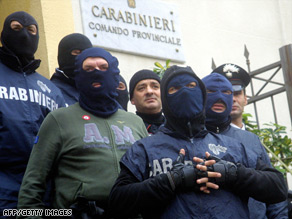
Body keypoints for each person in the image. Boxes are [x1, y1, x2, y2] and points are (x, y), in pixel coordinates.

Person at [108, 65, 287, 218]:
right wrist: (170, 180)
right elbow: (117, 202)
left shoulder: (233, 146)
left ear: (201, 96)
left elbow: (277, 187)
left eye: (192, 86)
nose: (185, 91)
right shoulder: (145, 148)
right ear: (166, 99)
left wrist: (234, 173)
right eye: (174, 89)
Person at [17, 47, 148, 218]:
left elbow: (150, 177)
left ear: (114, 75)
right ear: (78, 76)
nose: (96, 73)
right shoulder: (58, 120)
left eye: (103, 67)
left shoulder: (135, 122)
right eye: (88, 69)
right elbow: (33, 183)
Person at [0, 11, 66, 216]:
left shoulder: (50, 89)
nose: (24, 35)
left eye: (31, 31)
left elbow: (64, 137)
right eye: (16, 29)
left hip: (44, 196)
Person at [202, 72, 288, 218]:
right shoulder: (196, 137)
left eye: (228, 92)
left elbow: (275, 192)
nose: (228, 98)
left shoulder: (251, 139)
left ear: (245, 99)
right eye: (212, 92)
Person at [50, 33, 92, 106]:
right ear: (63, 56)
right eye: (77, 53)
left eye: (87, 54)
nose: (82, 57)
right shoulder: (51, 91)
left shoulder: (97, 90)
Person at [212, 63, 250, 129]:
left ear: (245, 99)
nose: (232, 99)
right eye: (226, 94)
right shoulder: (209, 137)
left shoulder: (253, 138)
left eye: (237, 94)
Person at [129, 69, 165, 134]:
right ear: (132, 99)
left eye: (155, 87)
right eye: (141, 88)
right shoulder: (127, 131)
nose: (149, 91)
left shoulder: (176, 127)